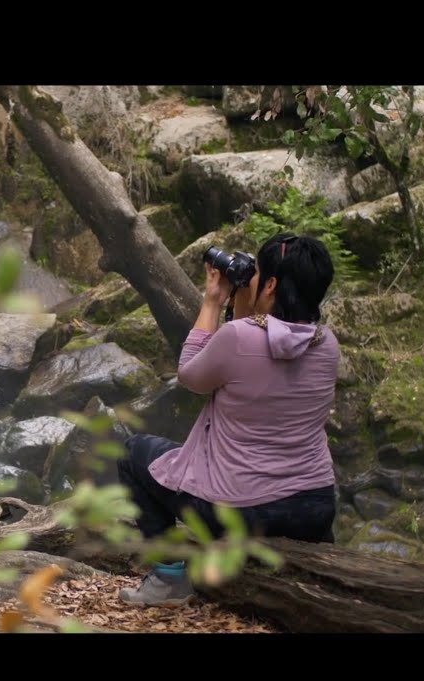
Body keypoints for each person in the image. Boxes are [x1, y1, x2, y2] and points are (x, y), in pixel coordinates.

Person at [117, 232, 341, 607]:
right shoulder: (327, 344)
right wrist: (248, 302)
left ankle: (168, 578)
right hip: (313, 507)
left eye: (260, 273)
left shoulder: (238, 337)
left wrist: (213, 300)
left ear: (270, 284)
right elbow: (264, 342)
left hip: (242, 511)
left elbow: (191, 376)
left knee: (132, 453)